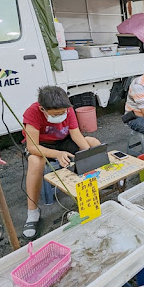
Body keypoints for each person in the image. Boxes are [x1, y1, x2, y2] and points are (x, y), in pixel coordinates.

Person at [22, 86, 101, 239]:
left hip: (63, 142)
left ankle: (100, 181)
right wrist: (57, 154)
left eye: (63, 112)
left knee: (91, 142)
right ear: (42, 109)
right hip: (42, 146)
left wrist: (88, 155)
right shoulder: (32, 113)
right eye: (56, 114)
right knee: (34, 161)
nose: (61, 115)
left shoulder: (68, 108)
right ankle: (32, 213)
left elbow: (76, 135)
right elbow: (32, 146)